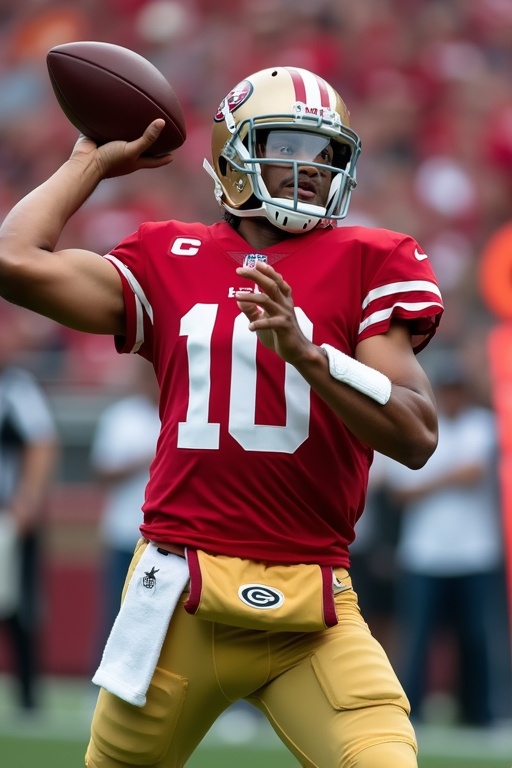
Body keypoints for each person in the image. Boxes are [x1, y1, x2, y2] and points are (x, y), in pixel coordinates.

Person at [0, 66, 444, 768]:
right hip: (179, 596)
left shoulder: (370, 260)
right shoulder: (167, 257)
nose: (308, 171)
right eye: (288, 147)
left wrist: (309, 354)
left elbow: (418, 433)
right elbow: (12, 258)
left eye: (324, 156)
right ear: (235, 155)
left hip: (316, 607)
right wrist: (89, 161)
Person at [384, 356, 508, 727]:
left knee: (476, 639)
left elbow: (472, 472)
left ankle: (480, 715)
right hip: (425, 553)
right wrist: (445, 476)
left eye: (458, 390)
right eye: (448, 391)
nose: (453, 398)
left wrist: (429, 479)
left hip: (475, 553)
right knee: (418, 639)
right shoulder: (421, 426)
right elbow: (400, 492)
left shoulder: (482, 426)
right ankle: (412, 712)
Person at [0, 304, 58, 712]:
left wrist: (27, 500)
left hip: (8, 515)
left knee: (19, 605)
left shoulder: (16, 387)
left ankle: (27, 696)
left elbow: (41, 442)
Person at [90, 356, 160, 645]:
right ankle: (99, 681)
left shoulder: (181, 413)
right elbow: (101, 471)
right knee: (117, 610)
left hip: (166, 537)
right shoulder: (121, 416)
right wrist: (145, 459)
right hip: (125, 532)